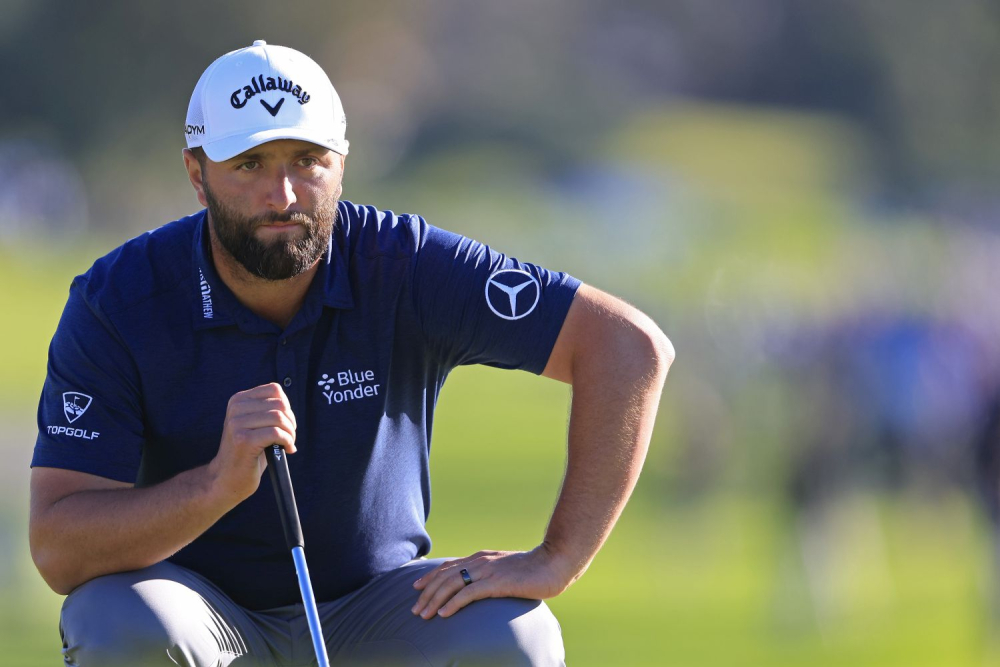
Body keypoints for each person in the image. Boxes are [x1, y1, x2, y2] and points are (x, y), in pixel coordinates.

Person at [29, 41, 673, 667]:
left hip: (379, 609)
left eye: (306, 160)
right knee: (115, 621)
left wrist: (555, 559)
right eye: (249, 164)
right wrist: (213, 486)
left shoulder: (405, 263)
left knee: (515, 636)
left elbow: (627, 345)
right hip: (197, 614)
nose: (280, 196)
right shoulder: (120, 298)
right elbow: (60, 548)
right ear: (198, 175)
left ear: (342, 162)